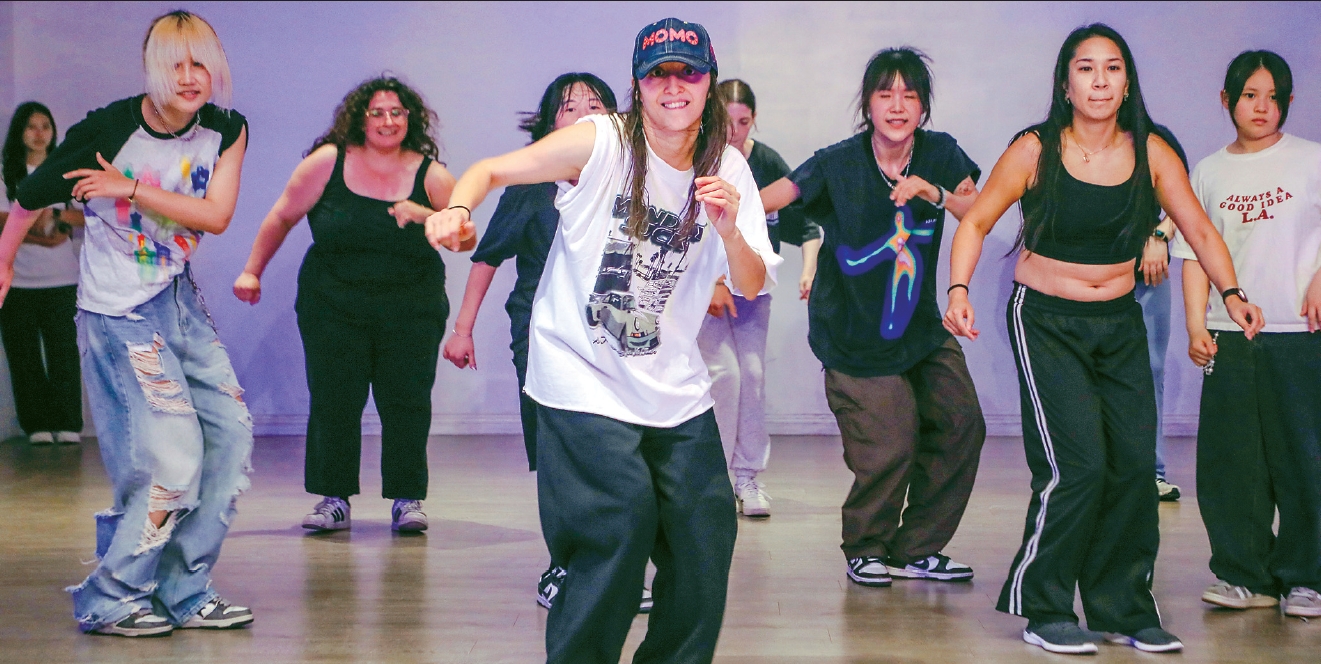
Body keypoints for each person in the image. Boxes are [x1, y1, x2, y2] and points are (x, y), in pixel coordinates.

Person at [426, 17, 779, 664]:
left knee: (705, 538)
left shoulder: (727, 165)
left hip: (672, 383)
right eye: (657, 74)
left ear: (709, 82)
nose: (673, 87)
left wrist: (729, 229)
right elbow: (492, 170)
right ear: (638, 84)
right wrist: (456, 209)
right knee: (618, 527)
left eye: (688, 73)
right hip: (580, 371)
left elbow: (751, 282)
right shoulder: (602, 141)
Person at [943, 24, 1265, 655]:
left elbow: (1200, 230)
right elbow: (977, 221)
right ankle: (1044, 607)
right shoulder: (1035, 149)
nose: (1099, 81)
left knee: (1133, 468)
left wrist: (1231, 293)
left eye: (1112, 68)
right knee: (1077, 466)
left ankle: (1123, 606)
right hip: (1045, 320)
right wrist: (958, 290)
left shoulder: (1152, 151)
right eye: (1086, 68)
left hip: (1118, 321)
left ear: (1126, 83)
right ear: (1066, 84)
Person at [0, 10, 254, 637]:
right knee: (171, 457)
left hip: (179, 301)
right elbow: (29, 196)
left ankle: (184, 589)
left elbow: (216, 215)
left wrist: (129, 188)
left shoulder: (227, 129)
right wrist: (3, 264)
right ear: (151, 70)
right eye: (176, 65)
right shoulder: (109, 129)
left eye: (201, 64)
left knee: (231, 437)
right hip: (120, 311)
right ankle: (110, 595)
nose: (190, 78)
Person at [761, 47, 985, 587]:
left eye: (910, 95)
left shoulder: (940, 153)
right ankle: (866, 545)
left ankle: (916, 548)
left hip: (920, 327)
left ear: (924, 105)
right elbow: (771, 197)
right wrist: (714, 203)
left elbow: (979, 210)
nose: (898, 105)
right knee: (889, 442)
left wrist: (933, 191)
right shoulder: (837, 162)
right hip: (852, 330)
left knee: (962, 422)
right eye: (886, 94)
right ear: (868, 103)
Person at [440, 72, 635, 610]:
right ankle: (564, 566)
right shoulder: (531, 188)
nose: (585, 112)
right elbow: (487, 257)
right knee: (559, 453)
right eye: (570, 106)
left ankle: (615, 568)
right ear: (551, 124)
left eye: (596, 103)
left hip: (613, 333)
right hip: (543, 334)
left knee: (615, 453)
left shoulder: (631, 179)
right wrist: (462, 329)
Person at [234, 76, 460, 534]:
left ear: (411, 119)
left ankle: (407, 498)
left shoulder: (432, 175)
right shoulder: (327, 162)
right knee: (335, 399)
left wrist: (426, 215)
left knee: (407, 401)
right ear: (359, 118)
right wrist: (252, 270)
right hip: (332, 303)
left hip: (411, 306)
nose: (387, 120)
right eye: (377, 112)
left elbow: (463, 238)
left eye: (396, 112)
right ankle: (333, 498)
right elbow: (282, 216)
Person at [1173, 50, 1321, 619]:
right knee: (1232, 462)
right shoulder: (1208, 172)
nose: (1262, 107)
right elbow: (1193, 254)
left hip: (1299, 332)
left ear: (1288, 102)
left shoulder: (1310, 160)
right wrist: (1196, 324)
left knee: (1304, 460)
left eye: (1274, 97)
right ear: (1227, 100)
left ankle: (1307, 577)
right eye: (1250, 95)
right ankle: (1245, 575)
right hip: (1230, 335)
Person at [697, 78, 822, 518]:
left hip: (751, 290)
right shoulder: (702, 158)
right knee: (724, 376)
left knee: (750, 374)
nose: (734, 130)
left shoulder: (765, 162)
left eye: (744, 121)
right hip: (705, 292)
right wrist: (713, 281)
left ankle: (747, 477)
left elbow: (806, 224)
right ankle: (714, 477)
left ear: (754, 120)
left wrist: (808, 269)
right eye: (726, 120)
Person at [0, 102, 85, 445]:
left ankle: (67, 423)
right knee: (24, 356)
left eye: (45, 126)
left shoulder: (64, 172)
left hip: (62, 279)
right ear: (19, 132)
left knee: (64, 352)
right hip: (16, 280)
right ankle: (36, 425)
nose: (38, 134)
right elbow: (3, 222)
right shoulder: (6, 174)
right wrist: (44, 232)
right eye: (31, 127)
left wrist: (58, 218)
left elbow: (87, 215)